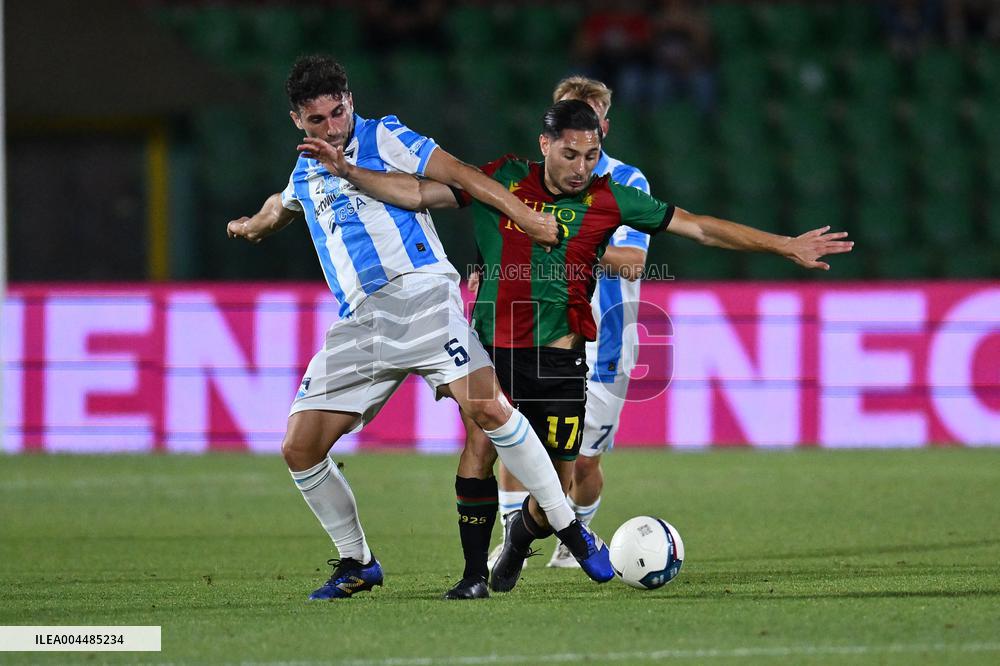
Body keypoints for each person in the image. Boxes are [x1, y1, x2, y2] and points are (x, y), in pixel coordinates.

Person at [304, 98, 854, 594]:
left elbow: (700, 228)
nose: (581, 167)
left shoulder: (610, 199)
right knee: (478, 448)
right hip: (491, 346)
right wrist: (349, 172)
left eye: (591, 155)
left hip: (561, 356)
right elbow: (418, 192)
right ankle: (471, 577)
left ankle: (520, 537)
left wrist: (784, 245)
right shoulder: (504, 180)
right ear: (545, 144)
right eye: (570, 154)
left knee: (557, 494)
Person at [227, 55, 615, 601]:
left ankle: (570, 530)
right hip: (362, 321)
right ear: (297, 121)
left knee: (489, 409)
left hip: (423, 298)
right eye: (317, 121)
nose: (332, 129)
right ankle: (357, 562)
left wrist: (525, 216)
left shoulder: (384, 137)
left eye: (338, 113)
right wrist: (252, 225)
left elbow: (462, 175)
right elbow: (281, 205)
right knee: (300, 447)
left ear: (350, 101)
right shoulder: (306, 172)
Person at [482, 77, 654, 572]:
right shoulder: (526, 185)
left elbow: (633, 263)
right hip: (535, 334)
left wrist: (571, 242)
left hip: (605, 343)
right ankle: (513, 542)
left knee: (582, 460)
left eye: (590, 118)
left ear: (604, 127)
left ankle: (569, 540)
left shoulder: (626, 183)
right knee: (519, 443)